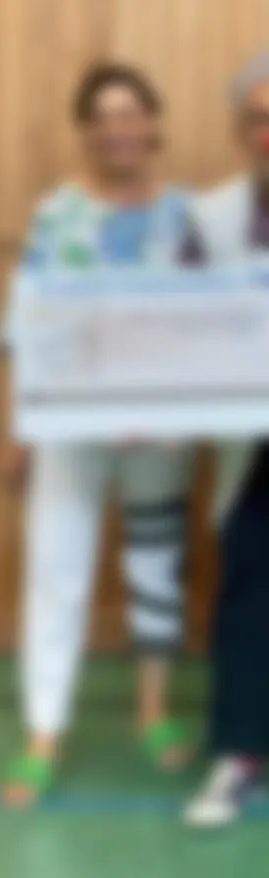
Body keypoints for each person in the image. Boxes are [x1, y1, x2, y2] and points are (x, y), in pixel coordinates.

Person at [0, 64, 201, 808]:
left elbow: (208, 325)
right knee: (57, 574)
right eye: (104, 117)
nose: (118, 129)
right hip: (66, 421)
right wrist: (20, 429)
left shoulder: (185, 219)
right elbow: (31, 323)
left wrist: (188, 408)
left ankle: (153, 710)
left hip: (158, 424)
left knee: (154, 567)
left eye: (130, 115)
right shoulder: (61, 216)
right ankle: (44, 733)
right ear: (91, 130)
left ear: (150, 126)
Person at [182, 50, 269, 828]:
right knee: (249, 597)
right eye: (260, 119)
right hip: (253, 441)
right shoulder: (211, 221)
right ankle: (239, 754)